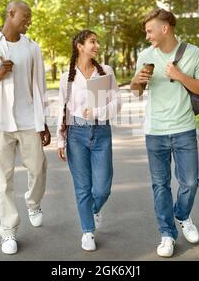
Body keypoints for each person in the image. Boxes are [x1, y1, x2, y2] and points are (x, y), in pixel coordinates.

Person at [0, 0, 51, 255]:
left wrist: (43, 121)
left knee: (38, 168)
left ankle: (33, 203)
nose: (29, 21)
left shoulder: (32, 48)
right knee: (3, 181)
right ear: (10, 14)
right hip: (0, 121)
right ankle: (8, 231)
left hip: (28, 121)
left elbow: (40, 86)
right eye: (25, 16)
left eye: (30, 17)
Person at [130, 8, 199, 258]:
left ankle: (183, 215)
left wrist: (180, 76)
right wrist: (137, 80)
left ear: (164, 28)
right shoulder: (145, 55)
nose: (147, 36)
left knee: (189, 181)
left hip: (184, 128)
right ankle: (167, 234)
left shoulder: (194, 54)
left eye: (149, 30)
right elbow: (136, 91)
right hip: (155, 131)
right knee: (160, 184)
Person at [57, 30, 121, 251]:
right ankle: (87, 231)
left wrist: (97, 111)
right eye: (92, 42)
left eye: (97, 42)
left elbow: (117, 104)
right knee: (82, 187)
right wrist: (60, 140)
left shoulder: (106, 72)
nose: (97, 45)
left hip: (101, 132)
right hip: (76, 135)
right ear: (80, 46)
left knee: (103, 187)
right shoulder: (67, 76)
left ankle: (93, 210)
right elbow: (61, 109)